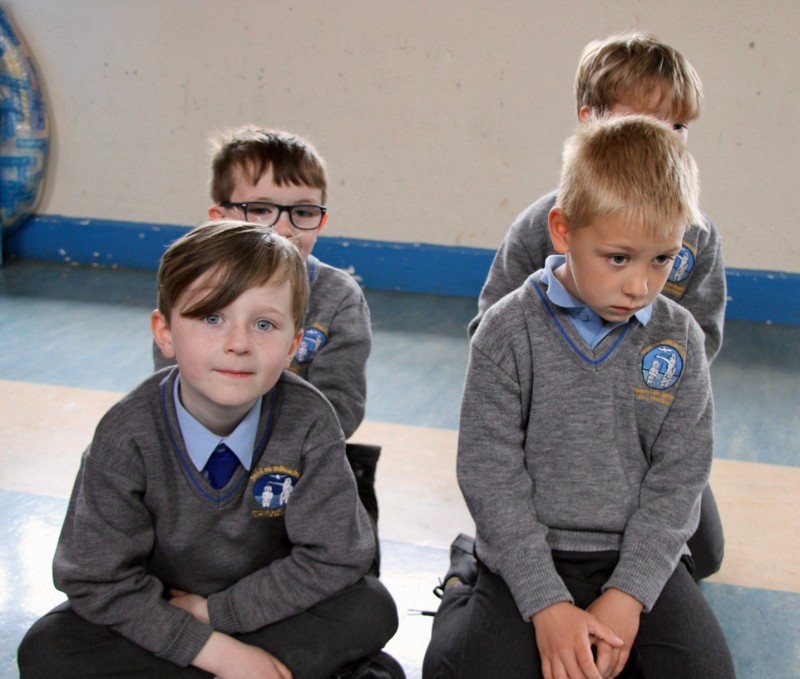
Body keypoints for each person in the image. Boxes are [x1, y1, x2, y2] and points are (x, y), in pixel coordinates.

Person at [19, 220, 403, 679]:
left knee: (369, 607)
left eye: (264, 324)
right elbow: (95, 579)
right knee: (48, 649)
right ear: (165, 332)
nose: (238, 344)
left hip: (270, 604)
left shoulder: (310, 420)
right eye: (211, 318)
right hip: (162, 609)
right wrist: (219, 654)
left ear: (293, 345)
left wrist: (216, 614)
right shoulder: (127, 434)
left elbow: (336, 556)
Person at [423, 115, 735, 679]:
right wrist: (545, 602)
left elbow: (680, 477)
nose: (640, 286)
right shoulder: (506, 331)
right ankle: (463, 580)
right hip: (529, 550)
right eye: (618, 258)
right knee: (462, 669)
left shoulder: (680, 336)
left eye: (662, 259)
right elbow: (489, 473)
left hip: (635, 552)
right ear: (563, 231)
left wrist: (629, 593)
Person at [467, 32, 725, 580]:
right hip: (551, 437)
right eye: (646, 122)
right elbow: (490, 329)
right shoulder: (542, 223)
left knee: (702, 556)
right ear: (590, 121)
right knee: (510, 530)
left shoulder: (695, 234)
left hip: (639, 427)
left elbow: (701, 337)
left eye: (678, 127)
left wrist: (646, 403)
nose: (665, 140)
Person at [153, 126, 383, 574]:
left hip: (302, 465)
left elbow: (342, 406)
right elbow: (174, 389)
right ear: (218, 218)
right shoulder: (190, 284)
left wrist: (273, 451)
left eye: (302, 212)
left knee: (361, 591)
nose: (283, 228)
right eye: (259, 209)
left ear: (321, 218)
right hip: (205, 463)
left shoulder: (338, 296)